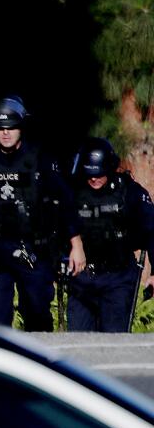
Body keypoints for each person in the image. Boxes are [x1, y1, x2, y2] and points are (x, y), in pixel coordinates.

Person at [0, 96, 84, 330]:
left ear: (22, 126)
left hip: (34, 249)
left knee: (37, 312)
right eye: (0, 128)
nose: (5, 133)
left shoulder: (40, 159)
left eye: (11, 127)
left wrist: (76, 244)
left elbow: (65, 201)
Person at [66, 138, 154, 332]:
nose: (94, 179)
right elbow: (58, 225)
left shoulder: (129, 192)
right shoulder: (73, 192)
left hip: (117, 278)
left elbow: (151, 229)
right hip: (82, 279)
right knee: (78, 342)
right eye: (90, 174)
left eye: (99, 174)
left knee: (113, 340)